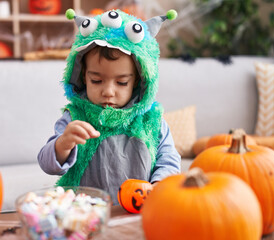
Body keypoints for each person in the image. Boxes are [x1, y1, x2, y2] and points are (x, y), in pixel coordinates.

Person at [38, 8, 180, 205]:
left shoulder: (151, 120)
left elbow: (169, 160)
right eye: (96, 80)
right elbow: (47, 164)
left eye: (121, 83)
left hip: (139, 211)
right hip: (86, 214)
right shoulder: (75, 118)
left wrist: (158, 185)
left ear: (138, 82)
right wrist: (63, 144)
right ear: (82, 77)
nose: (108, 91)